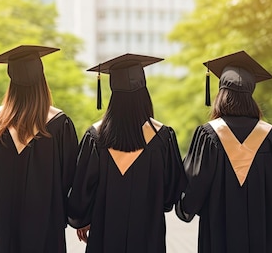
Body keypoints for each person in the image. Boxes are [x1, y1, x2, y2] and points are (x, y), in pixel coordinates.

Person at [176, 51, 272, 253]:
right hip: (262, 236)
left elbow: (194, 185)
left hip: (218, 236)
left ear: (220, 95)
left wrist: (187, 205)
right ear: (251, 95)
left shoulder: (208, 135)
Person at [68, 53, 187, 252]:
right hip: (148, 236)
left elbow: (82, 188)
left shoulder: (95, 137)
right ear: (144, 93)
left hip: (105, 237)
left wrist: (81, 219)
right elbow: (170, 193)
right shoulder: (162, 137)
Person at [0, 45, 79, 252]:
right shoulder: (60, 123)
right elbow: (70, 177)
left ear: (12, 81)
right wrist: (71, 213)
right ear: (42, 80)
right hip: (46, 215)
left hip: (2, 214)